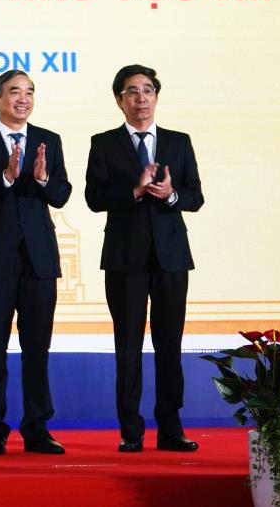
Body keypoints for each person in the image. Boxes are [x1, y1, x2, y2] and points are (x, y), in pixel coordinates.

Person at [86, 65, 203, 453]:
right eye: (132, 92)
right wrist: (134, 192)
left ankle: (171, 428)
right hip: (125, 258)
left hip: (171, 257)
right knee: (128, 345)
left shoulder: (178, 141)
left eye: (148, 90)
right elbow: (94, 198)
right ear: (119, 100)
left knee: (170, 344)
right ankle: (131, 431)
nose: (141, 98)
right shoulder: (104, 143)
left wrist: (171, 195)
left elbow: (195, 196)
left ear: (156, 96)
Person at [0, 70, 71, 456]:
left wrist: (42, 178)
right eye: (14, 92)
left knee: (37, 348)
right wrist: (5, 177)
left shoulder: (49, 140)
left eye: (29, 92)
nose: (23, 99)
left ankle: (37, 428)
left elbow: (61, 194)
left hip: (38, 260)